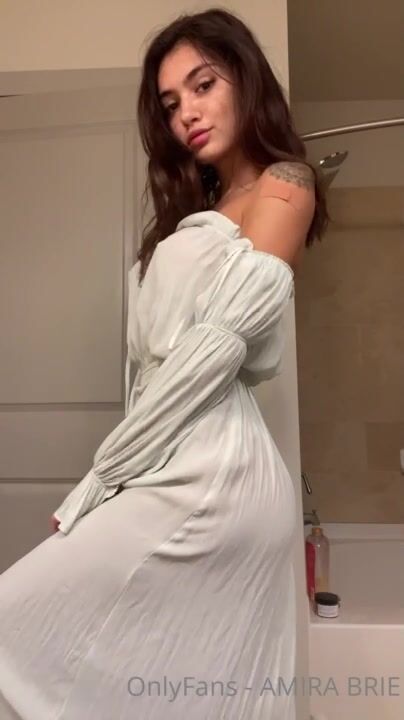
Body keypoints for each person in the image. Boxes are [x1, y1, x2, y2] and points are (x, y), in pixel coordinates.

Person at [0, 8, 328, 720]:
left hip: (218, 474)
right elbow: (152, 367)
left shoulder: (285, 184)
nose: (188, 115)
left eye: (203, 85)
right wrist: (121, 474)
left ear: (246, 79)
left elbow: (212, 353)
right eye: (172, 104)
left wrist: (101, 478)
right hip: (169, 458)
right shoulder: (197, 211)